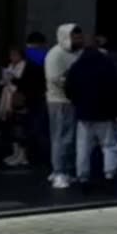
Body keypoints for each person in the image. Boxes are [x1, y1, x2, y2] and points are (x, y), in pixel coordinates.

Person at [65, 36, 117, 192]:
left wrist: (78, 102)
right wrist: (116, 111)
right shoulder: (107, 64)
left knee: (83, 147)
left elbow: (69, 89)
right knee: (109, 145)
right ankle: (109, 175)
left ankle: (83, 177)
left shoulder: (77, 66)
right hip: (105, 113)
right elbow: (115, 89)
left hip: (84, 113)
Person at [44, 23, 84, 189]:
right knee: (60, 137)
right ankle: (58, 171)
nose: (79, 40)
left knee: (70, 138)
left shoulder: (77, 53)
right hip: (59, 101)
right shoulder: (55, 55)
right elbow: (55, 79)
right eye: (75, 37)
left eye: (79, 36)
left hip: (73, 100)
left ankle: (66, 170)